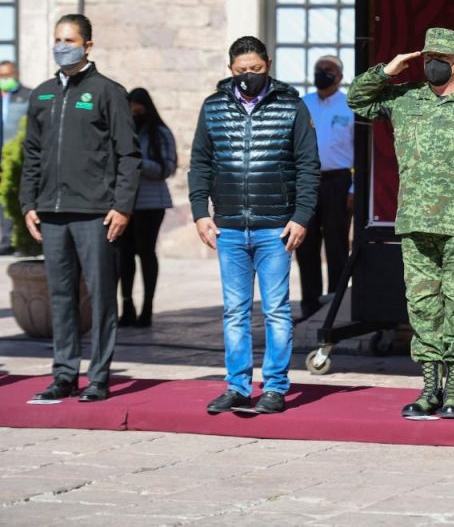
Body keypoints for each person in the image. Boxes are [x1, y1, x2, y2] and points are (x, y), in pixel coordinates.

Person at [348, 27, 454, 419]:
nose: (433, 65)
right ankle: (428, 388)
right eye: (428, 57)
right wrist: (387, 72)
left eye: (442, 58)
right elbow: (356, 100)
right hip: (416, 221)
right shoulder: (405, 99)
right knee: (422, 306)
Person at [188, 36, 320, 415]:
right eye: (242, 71)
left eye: (256, 70)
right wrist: (200, 211)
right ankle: (237, 386)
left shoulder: (291, 107)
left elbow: (308, 166)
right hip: (229, 227)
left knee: (277, 309)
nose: (249, 76)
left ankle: (275, 387)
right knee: (234, 310)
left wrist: (301, 216)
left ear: (269, 65)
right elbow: (200, 163)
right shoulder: (213, 108)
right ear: (230, 69)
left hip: (275, 227)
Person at [22, 14, 140, 402]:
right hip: (52, 213)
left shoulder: (108, 92)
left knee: (103, 295)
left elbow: (128, 154)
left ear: (88, 45)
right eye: (57, 39)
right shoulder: (40, 95)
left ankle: (100, 375)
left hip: (95, 212)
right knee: (60, 295)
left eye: (69, 39)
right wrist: (28, 203)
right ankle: (64, 373)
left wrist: (122, 206)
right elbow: (32, 154)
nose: (62, 46)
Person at [296, 55, 355, 320]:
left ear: (340, 76)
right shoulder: (302, 104)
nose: (322, 73)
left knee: (337, 243)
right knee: (305, 243)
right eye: (319, 70)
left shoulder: (349, 106)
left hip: (339, 181)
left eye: (328, 70)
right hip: (306, 181)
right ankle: (309, 306)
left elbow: (360, 153)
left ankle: (335, 305)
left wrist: (354, 189)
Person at [118, 88, 176, 328]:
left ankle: (148, 307)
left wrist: (138, 162)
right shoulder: (124, 131)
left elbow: (167, 168)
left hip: (151, 203)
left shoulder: (160, 133)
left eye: (138, 107)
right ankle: (127, 305)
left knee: (146, 251)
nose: (134, 112)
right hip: (125, 203)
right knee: (124, 255)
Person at [0, 60, 32, 254]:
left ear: (17, 74)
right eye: (1, 76)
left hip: (18, 156)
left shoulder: (28, 96)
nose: (5, 80)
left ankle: (20, 241)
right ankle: (4, 240)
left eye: (8, 76)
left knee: (19, 197)